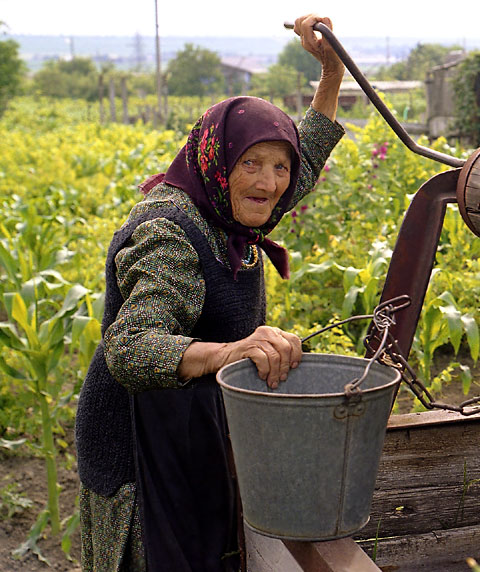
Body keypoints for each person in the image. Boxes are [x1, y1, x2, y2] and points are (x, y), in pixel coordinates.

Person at [75, 15, 346, 571]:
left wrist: (332, 70)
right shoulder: (169, 230)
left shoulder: (233, 211)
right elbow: (130, 348)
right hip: (137, 437)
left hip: (189, 421)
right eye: (250, 163)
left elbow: (309, 154)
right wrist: (232, 351)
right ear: (217, 163)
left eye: (279, 167)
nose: (269, 183)